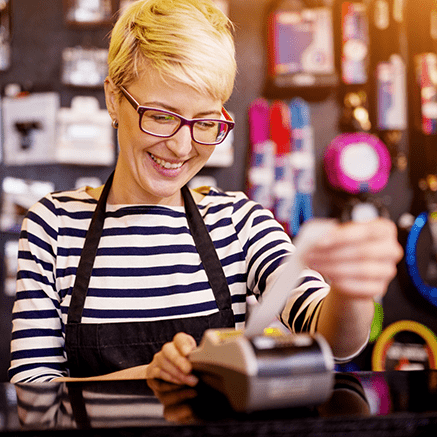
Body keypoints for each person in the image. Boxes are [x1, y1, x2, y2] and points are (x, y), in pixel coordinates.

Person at [8, 0, 403, 385]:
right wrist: (149, 375)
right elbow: (31, 387)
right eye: (161, 116)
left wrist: (354, 291)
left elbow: (333, 339)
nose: (181, 148)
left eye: (205, 122)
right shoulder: (54, 227)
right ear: (114, 98)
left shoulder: (239, 223)